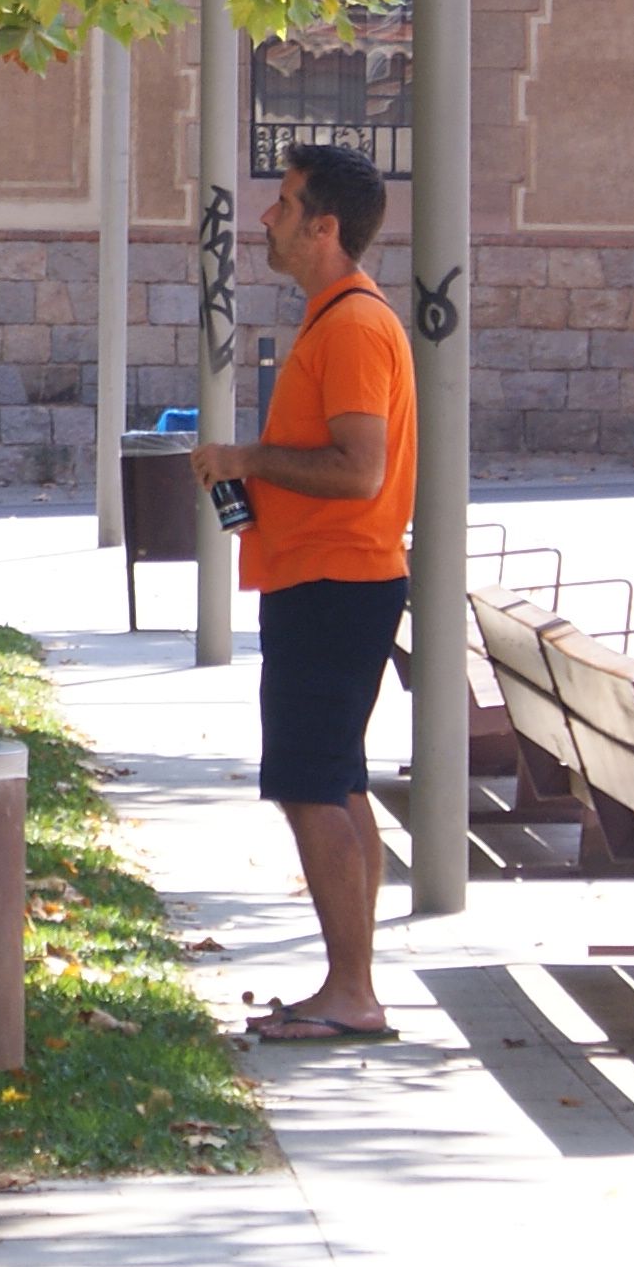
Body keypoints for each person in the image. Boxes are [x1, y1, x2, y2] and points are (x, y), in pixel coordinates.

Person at [192, 139, 416, 1045]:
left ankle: (351, 993)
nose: (266, 218)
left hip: (337, 579)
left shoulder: (356, 327)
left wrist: (246, 460)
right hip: (324, 579)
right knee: (335, 780)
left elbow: (359, 471)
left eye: (282, 205)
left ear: (324, 227)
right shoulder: (337, 320)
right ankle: (350, 981)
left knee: (312, 783)